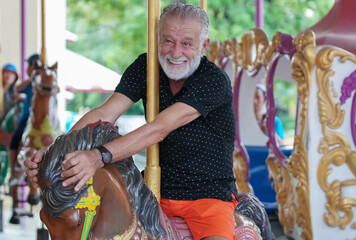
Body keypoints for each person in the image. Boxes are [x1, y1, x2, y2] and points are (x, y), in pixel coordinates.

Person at [26, 4, 238, 240]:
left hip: (207, 200)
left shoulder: (213, 81)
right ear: (157, 39)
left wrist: (98, 156)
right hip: (152, 195)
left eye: (187, 43)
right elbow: (104, 113)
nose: (175, 52)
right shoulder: (146, 68)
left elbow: (158, 129)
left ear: (203, 46)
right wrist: (55, 152)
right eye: (168, 41)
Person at [7, 54, 40, 224]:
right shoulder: (29, 83)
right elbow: (16, 90)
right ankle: (13, 171)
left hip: (38, 120)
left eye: (30, 66)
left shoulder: (41, 81)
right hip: (27, 119)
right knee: (15, 138)